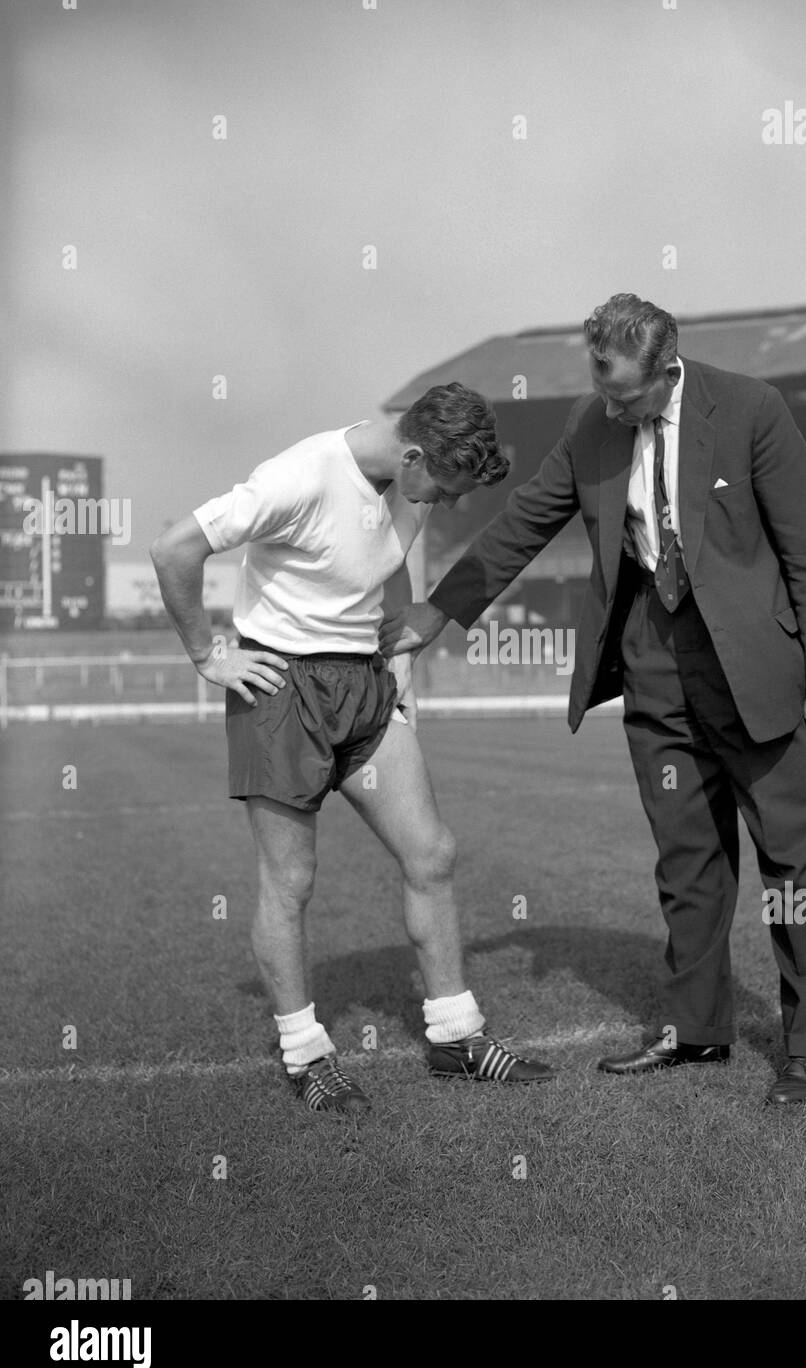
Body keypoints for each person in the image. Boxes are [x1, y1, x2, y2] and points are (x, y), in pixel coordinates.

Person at [382, 296, 806, 1106]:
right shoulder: (592, 423)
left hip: (752, 667)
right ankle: (698, 1032)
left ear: (666, 370)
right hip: (651, 664)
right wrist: (434, 615)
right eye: (600, 383)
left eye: (626, 393)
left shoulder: (749, 410)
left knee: (796, 864)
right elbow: (523, 522)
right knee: (687, 863)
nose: (611, 405)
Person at [150, 383, 555, 1117]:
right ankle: (307, 1056)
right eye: (444, 488)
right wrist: (207, 655)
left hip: (364, 689)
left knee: (430, 853)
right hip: (281, 692)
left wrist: (399, 654)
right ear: (410, 455)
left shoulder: (414, 480)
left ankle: (456, 1039)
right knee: (292, 881)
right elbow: (174, 546)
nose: (446, 503)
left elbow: (387, 560)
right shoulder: (298, 476)